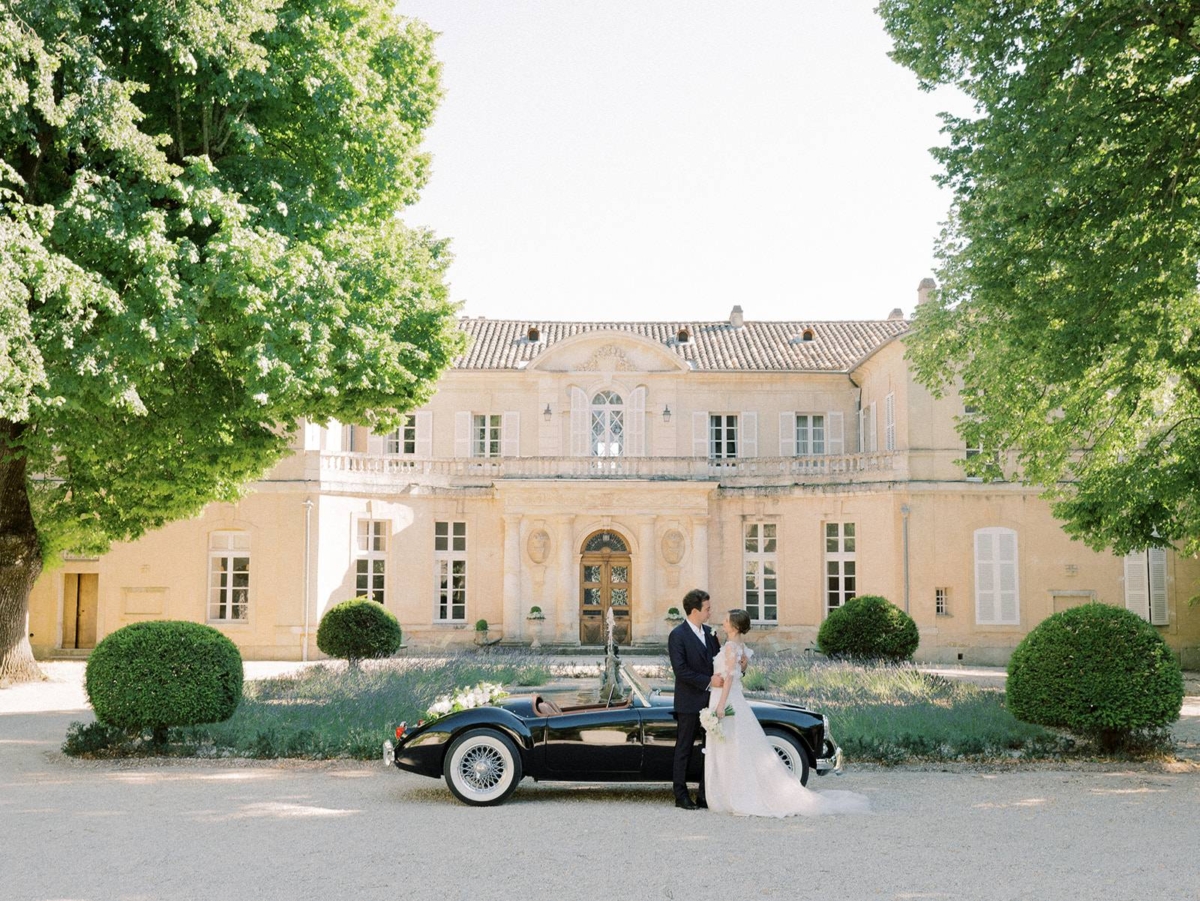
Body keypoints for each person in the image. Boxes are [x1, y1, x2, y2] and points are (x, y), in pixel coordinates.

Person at [705, 608, 871, 817]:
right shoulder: (740, 647)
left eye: (726, 620)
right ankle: (737, 791)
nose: (723, 623)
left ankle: (735, 794)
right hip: (734, 698)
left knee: (732, 745)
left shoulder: (731, 647)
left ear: (735, 626)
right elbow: (740, 673)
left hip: (727, 698)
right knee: (738, 746)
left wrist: (721, 705)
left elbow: (729, 678)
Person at [667, 588, 721, 810]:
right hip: (689, 702)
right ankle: (680, 795)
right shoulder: (677, 635)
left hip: (711, 702)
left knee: (709, 749)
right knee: (684, 749)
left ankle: (704, 793)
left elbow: (718, 662)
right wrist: (708, 681)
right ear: (695, 610)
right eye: (707, 608)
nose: (710, 612)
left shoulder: (710, 633)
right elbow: (681, 671)